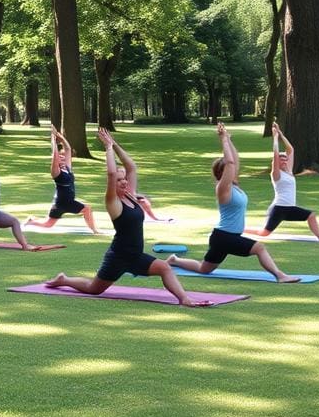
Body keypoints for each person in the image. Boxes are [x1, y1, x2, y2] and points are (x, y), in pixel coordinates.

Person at [45, 129, 211, 306]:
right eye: (119, 180)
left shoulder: (130, 195)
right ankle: (64, 280)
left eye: (124, 179)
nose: (123, 182)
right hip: (118, 256)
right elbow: (110, 174)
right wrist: (108, 148)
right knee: (94, 288)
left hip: (136, 255)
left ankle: (184, 299)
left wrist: (114, 144)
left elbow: (131, 167)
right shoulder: (113, 202)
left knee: (165, 268)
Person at [167, 123, 300, 282]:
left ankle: (174, 260)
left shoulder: (234, 186)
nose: (234, 169)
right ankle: (280, 276)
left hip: (222, 236)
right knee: (259, 247)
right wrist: (223, 140)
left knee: (205, 268)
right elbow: (230, 163)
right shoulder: (222, 188)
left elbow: (234, 161)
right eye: (229, 168)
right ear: (222, 173)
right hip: (225, 236)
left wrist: (228, 139)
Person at [245, 122, 319, 241]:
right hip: (279, 208)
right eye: (281, 160)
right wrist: (275, 138)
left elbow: (290, 149)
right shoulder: (276, 174)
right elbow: (275, 155)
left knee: (311, 215)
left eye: (285, 160)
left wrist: (281, 134)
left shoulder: (288, 171)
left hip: (290, 208)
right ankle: (241, 229)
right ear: (277, 162)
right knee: (264, 233)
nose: (284, 161)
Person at [25, 125, 99, 233]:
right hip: (59, 203)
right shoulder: (56, 172)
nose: (63, 158)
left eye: (64, 157)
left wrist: (60, 137)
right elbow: (54, 155)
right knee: (48, 225)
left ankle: (95, 230)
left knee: (87, 209)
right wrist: (53, 140)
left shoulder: (68, 169)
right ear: (57, 161)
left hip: (70, 202)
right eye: (61, 157)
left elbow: (68, 149)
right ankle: (31, 221)